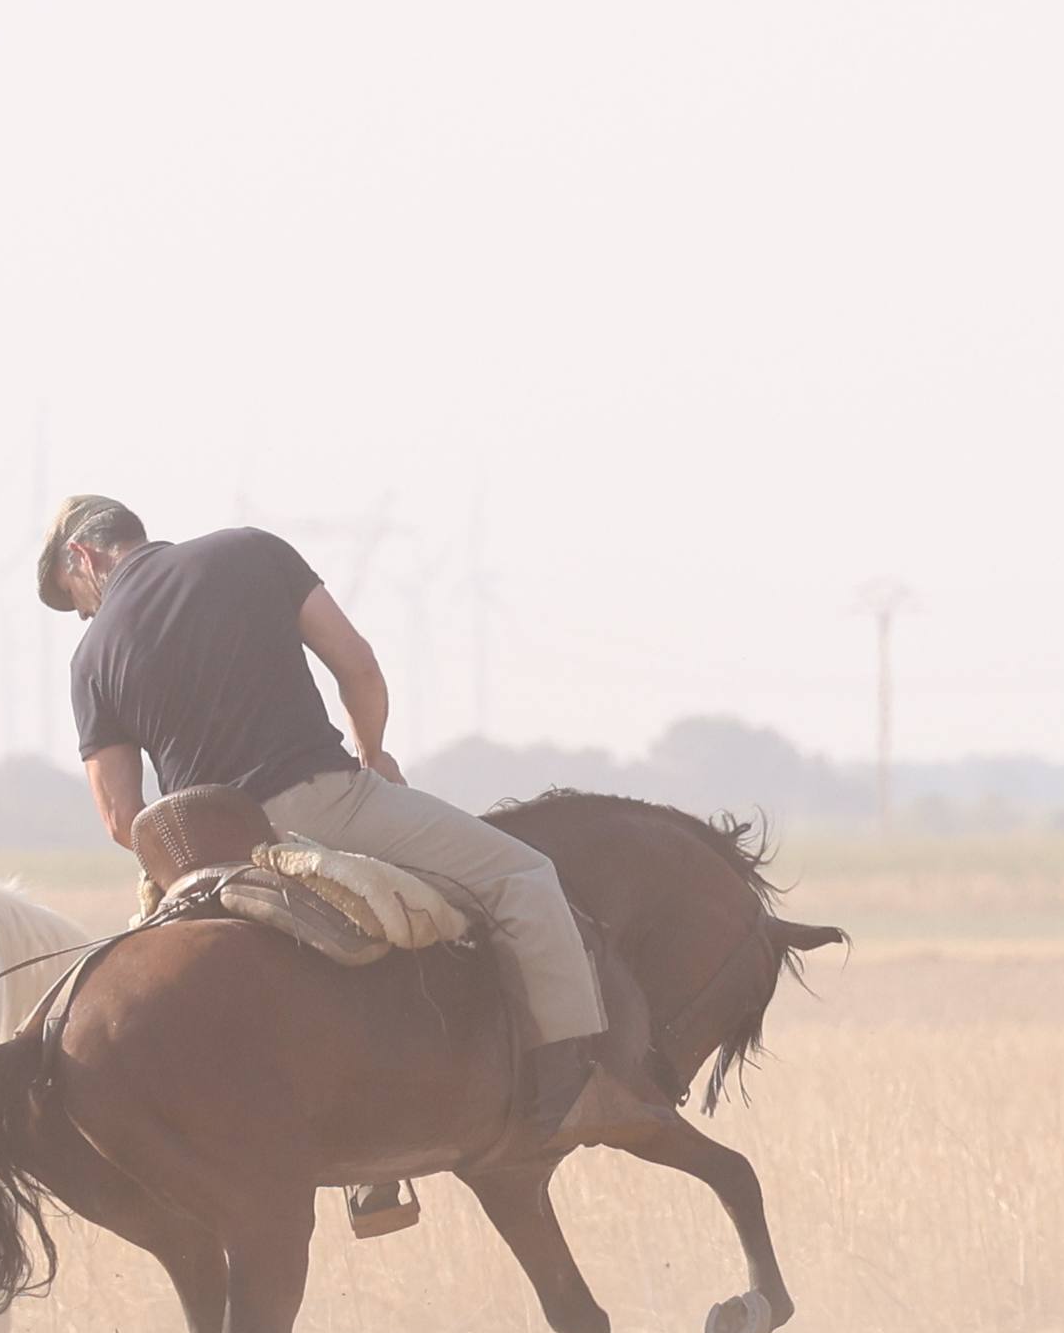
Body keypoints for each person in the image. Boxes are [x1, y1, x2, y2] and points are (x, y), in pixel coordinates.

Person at [36, 493, 654, 1150]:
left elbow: (120, 817)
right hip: (323, 804)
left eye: (79, 600)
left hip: (211, 857)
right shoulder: (250, 549)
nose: (89, 615)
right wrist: (371, 753)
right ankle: (572, 1090)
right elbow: (357, 666)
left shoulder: (90, 658)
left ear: (83, 556)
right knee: (525, 876)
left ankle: (366, 1180)